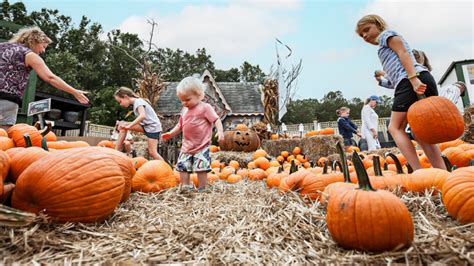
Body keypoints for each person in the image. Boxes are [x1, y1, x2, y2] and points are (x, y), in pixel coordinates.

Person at [356, 14, 445, 170]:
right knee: (419, 132)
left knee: (395, 128)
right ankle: (441, 171)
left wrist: (413, 79)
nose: (364, 35)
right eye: (361, 35)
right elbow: (395, 80)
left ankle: (418, 171)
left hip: (411, 79)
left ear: (378, 24)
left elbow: (403, 53)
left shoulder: (386, 35)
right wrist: (381, 82)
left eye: (366, 29)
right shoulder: (382, 48)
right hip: (412, 79)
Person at [0, 26, 89, 130]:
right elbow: (50, 78)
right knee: (2, 137)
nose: (43, 51)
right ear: (34, 41)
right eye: (43, 46)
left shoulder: (2, 46)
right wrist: (74, 92)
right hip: (5, 100)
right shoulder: (28, 55)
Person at [161, 77, 225, 192]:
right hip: (186, 147)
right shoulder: (184, 110)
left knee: (201, 168)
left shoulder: (205, 108)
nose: (184, 103)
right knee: (183, 167)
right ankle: (185, 187)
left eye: (187, 99)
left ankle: (202, 188)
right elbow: (180, 125)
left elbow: (216, 120)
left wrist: (220, 131)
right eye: (181, 100)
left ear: (200, 95)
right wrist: (170, 134)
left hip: (201, 146)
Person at [114, 87, 164, 160]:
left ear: (126, 97)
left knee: (152, 152)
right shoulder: (136, 103)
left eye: (120, 101)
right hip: (146, 126)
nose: (120, 104)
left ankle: (166, 168)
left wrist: (130, 125)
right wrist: (124, 123)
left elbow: (142, 115)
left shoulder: (138, 102)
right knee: (123, 125)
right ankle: (115, 153)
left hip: (153, 128)